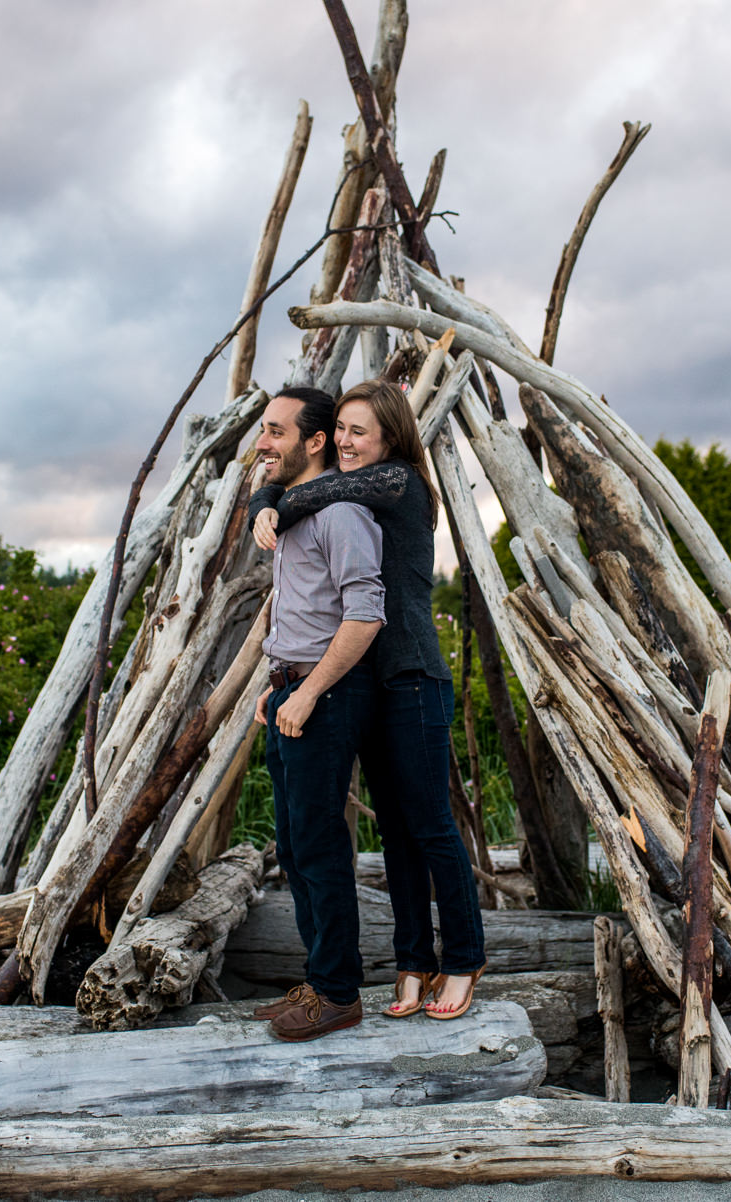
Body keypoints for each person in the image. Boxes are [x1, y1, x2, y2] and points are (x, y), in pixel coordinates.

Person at [250, 379, 488, 1022]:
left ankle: (463, 957)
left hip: (412, 674)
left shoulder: (399, 483)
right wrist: (269, 498)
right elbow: (308, 489)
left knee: (432, 826)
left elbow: (320, 489)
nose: (351, 443)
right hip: (373, 682)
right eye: (344, 430)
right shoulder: (355, 493)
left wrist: (270, 499)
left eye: (361, 432)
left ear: (389, 437)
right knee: (401, 833)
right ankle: (413, 963)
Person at [246, 384, 386, 1042]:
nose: (263, 442)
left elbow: (365, 617)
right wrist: (272, 683)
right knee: (296, 844)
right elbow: (300, 607)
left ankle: (337, 992)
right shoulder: (296, 510)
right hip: (292, 689)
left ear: (315, 441)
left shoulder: (342, 514)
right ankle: (318, 978)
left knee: (320, 844)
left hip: (327, 695)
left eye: (275, 431)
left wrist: (304, 693)